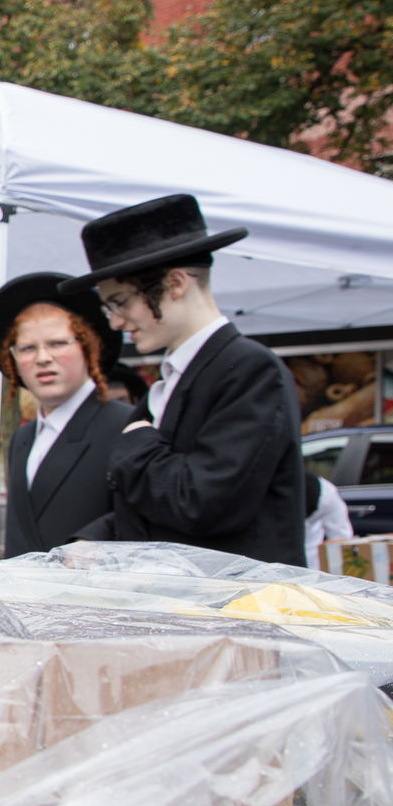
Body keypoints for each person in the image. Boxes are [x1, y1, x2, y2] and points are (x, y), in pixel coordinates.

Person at [58, 193, 306, 565]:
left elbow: (205, 503)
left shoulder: (250, 369)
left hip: (234, 611)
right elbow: (157, 508)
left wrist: (138, 443)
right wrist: (90, 541)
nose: (114, 322)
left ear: (175, 283)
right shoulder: (175, 378)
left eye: (120, 301)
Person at [0, 272, 131, 556]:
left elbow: (147, 520)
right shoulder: (22, 439)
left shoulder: (126, 425)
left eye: (58, 343)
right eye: (27, 348)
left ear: (88, 347)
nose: (42, 358)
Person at [304, 469, 353, 569]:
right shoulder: (325, 490)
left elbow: (341, 541)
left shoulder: (324, 491)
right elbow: (342, 540)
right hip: (309, 570)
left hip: (307, 569)